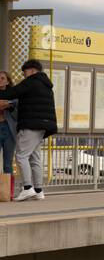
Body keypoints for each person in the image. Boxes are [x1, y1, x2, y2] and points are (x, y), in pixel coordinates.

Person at [0, 59, 58, 201]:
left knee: (21, 156)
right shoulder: (46, 85)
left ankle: (27, 188)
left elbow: (12, 93)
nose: (24, 75)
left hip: (31, 124)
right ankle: (38, 190)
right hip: (43, 126)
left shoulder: (31, 81)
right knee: (35, 158)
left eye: (25, 72)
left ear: (31, 70)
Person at [0, 71, 18, 185]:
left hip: (8, 129)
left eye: (2, 78)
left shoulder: (13, 95)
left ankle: (8, 192)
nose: (0, 80)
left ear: (7, 81)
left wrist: (10, 106)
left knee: (8, 163)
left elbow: (18, 114)